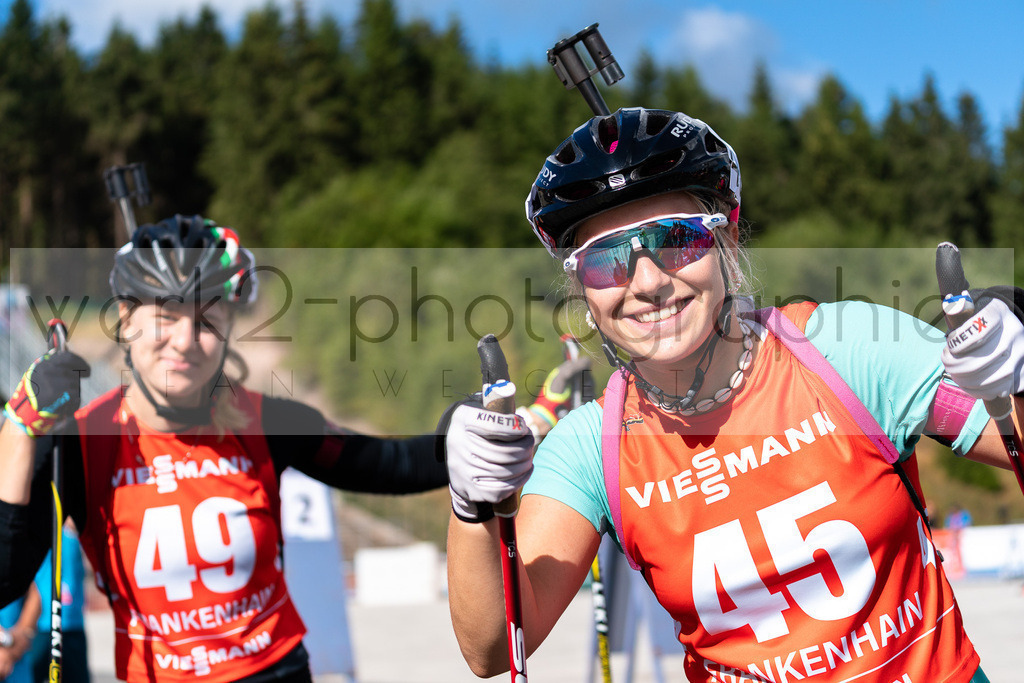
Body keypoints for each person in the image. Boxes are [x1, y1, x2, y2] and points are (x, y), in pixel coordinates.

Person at [443, 107, 1024, 682]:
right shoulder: (591, 446)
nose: (647, 283)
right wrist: (471, 508)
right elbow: (495, 652)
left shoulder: (845, 350)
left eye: (676, 239)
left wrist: (1016, 376)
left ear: (726, 244)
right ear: (582, 290)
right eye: (606, 261)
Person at [0, 215, 450, 682]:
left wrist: (467, 439)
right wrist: (20, 430)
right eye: (165, 316)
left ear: (229, 327)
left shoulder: (267, 421)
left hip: (276, 670)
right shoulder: (85, 442)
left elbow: (389, 465)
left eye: (206, 319)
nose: (184, 340)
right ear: (127, 321)